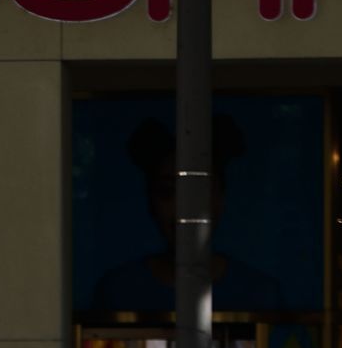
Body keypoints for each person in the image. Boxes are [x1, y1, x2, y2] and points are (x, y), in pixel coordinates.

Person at [90, 115, 284, 312]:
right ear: (150, 201)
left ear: (220, 198)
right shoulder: (119, 291)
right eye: (167, 191)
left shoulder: (258, 293)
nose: (184, 208)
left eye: (199, 191)